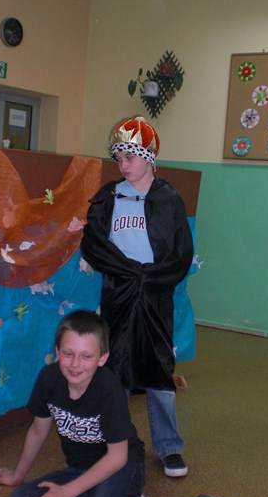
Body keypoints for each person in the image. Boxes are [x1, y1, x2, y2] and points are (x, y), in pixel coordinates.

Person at [0, 310, 249, 497]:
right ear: (57, 352)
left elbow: (117, 457)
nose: (75, 364)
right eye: (68, 354)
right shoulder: (48, 379)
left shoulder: (108, 388)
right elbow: (38, 431)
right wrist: (18, 474)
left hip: (122, 466)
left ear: (102, 358)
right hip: (81, 470)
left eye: (86, 356)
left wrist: (68, 492)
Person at [80, 116, 193, 477]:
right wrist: (127, 271)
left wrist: (150, 277)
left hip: (154, 295)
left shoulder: (168, 199)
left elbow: (180, 253)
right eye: (118, 159)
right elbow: (94, 244)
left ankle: (170, 447)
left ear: (148, 157)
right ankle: (114, 443)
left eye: (129, 157)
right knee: (115, 368)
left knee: (158, 369)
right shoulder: (109, 197)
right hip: (118, 293)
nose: (123, 166)